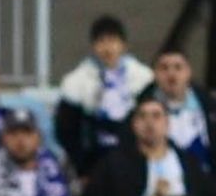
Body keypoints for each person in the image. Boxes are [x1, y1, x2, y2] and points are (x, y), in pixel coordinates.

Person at [80, 98, 216, 196]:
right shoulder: (113, 162)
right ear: (134, 125)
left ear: (167, 124)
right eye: (142, 117)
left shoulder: (186, 161)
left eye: (156, 116)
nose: (149, 122)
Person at [140, 49, 216, 183]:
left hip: (205, 182)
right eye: (164, 68)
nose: (171, 74)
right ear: (155, 74)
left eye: (178, 67)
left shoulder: (208, 105)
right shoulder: (141, 108)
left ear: (188, 72)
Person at [55, 15, 154, 175]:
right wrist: (82, 166)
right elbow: (66, 130)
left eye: (113, 41)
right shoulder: (76, 81)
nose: (107, 48)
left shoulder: (143, 78)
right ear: (93, 46)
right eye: (101, 41)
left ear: (123, 45)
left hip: (136, 156)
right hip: (95, 160)